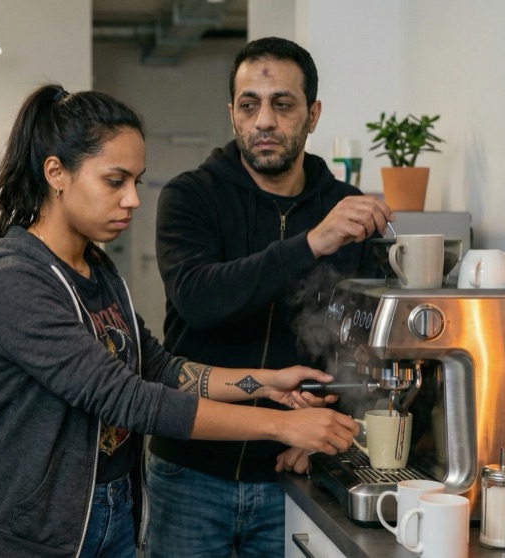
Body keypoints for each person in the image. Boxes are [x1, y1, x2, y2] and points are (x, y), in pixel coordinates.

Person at [0, 83, 360, 558]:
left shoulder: (97, 268)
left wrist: (266, 383)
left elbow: (160, 368)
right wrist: (282, 427)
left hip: (109, 513)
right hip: (30, 535)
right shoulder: (12, 278)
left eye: (136, 180)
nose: (133, 199)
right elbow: (128, 399)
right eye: (115, 181)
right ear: (56, 173)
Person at [146, 37, 394, 557]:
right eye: (249, 104)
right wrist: (309, 244)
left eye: (282, 104)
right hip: (192, 472)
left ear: (313, 114)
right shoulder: (191, 196)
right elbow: (199, 300)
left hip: (294, 476)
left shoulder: (347, 209)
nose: (264, 120)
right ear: (232, 114)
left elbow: (364, 345)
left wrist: (328, 436)